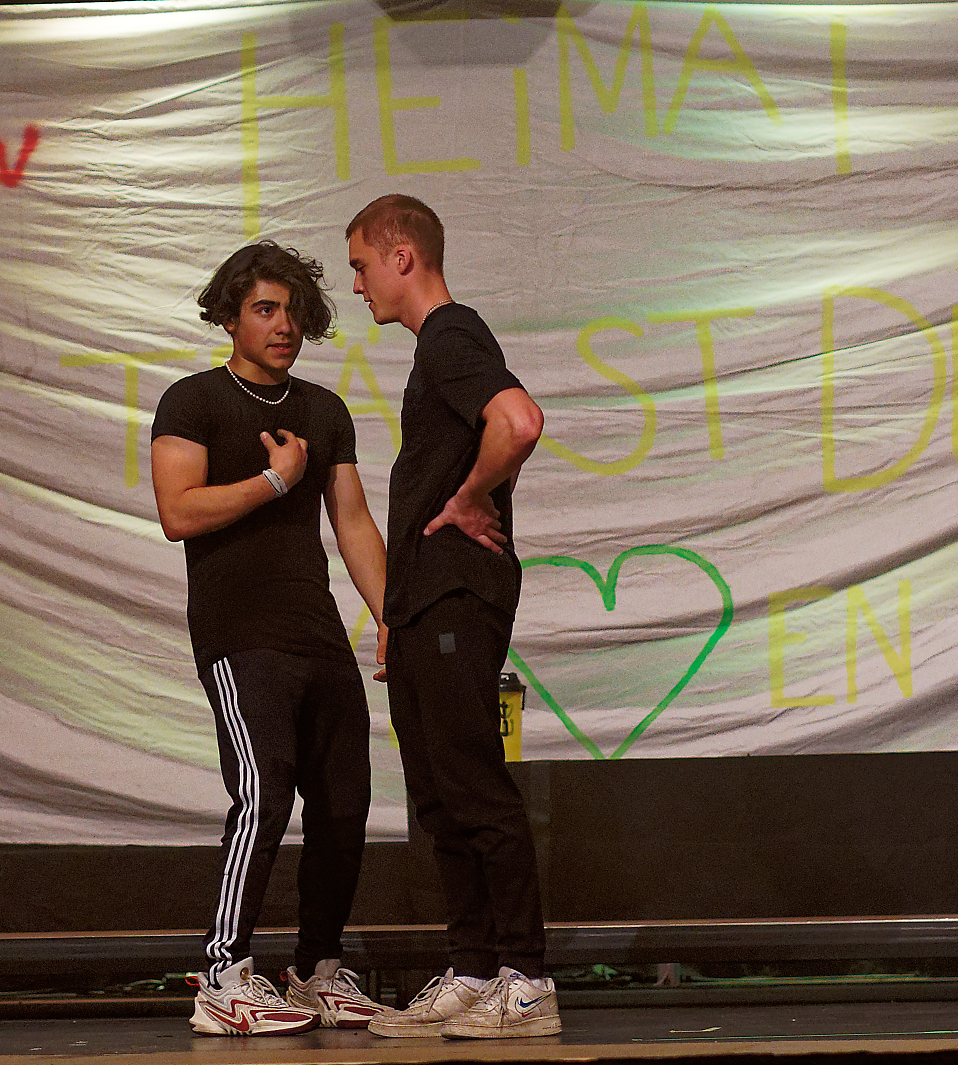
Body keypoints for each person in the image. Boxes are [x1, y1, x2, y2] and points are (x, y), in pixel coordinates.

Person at [150, 241, 392, 1036]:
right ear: (230, 317)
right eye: (265, 309)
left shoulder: (323, 410)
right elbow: (177, 511)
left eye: (293, 311)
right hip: (239, 633)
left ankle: (318, 969)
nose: (283, 325)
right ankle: (223, 975)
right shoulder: (193, 400)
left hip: (317, 632)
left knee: (345, 804)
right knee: (264, 794)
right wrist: (274, 480)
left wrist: (390, 615)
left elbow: (353, 522)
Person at [343, 195, 556, 1040]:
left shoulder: (450, 333)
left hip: (458, 596)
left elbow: (520, 420)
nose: (357, 284)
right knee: (438, 797)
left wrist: (471, 496)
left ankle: (526, 980)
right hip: (424, 602)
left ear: (402, 256)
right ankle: (473, 970)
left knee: (471, 783)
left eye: (361, 265)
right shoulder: (437, 347)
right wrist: (397, 607)